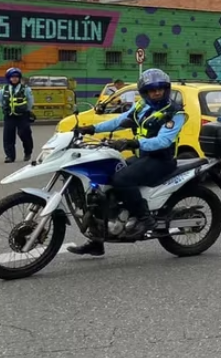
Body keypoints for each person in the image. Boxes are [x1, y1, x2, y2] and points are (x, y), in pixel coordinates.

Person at [68, 69, 186, 256]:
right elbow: (118, 121)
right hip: (143, 157)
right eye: (151, 90)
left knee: (122, 180)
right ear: (145, 92)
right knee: (103, 183)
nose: (156, 93)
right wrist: (91, 128)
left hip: (161, 161)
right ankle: (97, 240)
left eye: (160, 89)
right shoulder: (142, 106)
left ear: (166, 89)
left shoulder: (175, 113)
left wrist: (133, 142)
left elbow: (163, 141)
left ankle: (146, 220)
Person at [0, 67, 34, 163]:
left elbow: (30, 101)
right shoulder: (3, 89)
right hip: (9, 115)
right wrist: (5, 109)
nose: (14, 78)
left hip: (23, 115)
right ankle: (9, 156)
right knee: (8, 136)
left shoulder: (26, 89)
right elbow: (1, 101)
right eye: (12, 77)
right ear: (8, 78)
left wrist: (27, 111)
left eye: (16, 77)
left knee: (24, 133)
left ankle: (28, 152)